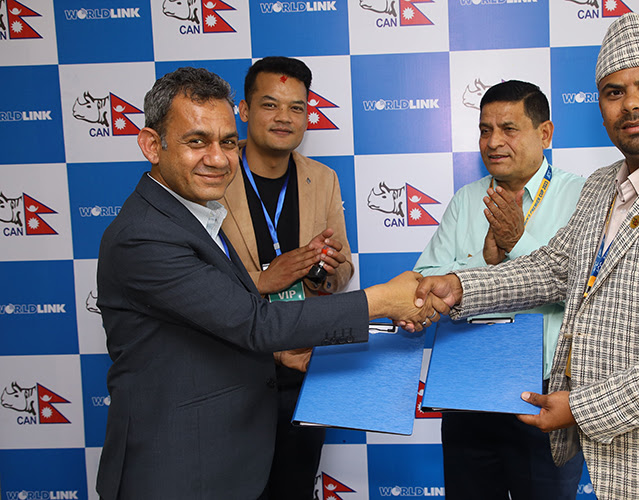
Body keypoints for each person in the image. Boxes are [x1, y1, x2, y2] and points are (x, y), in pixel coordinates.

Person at [414, 13, 639, 499]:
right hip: (613, 469)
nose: (631, 104)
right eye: (614, 92)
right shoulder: (603, 185)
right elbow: (553, 269)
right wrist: (461, 287)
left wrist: (581, 408)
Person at [95, 67, 444, 500]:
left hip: (231, 453)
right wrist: (383, 300)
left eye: (227, 142)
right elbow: (254, 321)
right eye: (197, 141)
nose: (218, 159)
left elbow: (210, 318)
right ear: (152, 145)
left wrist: (280, 351)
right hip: (179, 465)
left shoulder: (195, 213)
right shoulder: (145, 235)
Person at [413, 80, 585, 499]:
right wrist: (482, 263)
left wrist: (517, 245)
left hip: (545, 395)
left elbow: (585, 286)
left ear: (545, 133)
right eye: (485, 130)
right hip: (469, 386)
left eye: (509, 129)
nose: (493, 142)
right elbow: (426, 279)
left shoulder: (583, 196)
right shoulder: (466, 199)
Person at [218, 56, 351, 500]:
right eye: (270, 104)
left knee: (294, 488)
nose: (284, 118)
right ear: (244, 110)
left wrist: (324, 272)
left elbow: (343, 269)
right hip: (233, 368)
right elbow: (193, 278)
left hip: (302, 368)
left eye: (297, 107)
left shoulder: (323, 178)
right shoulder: (213, 174)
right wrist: (262, 279)